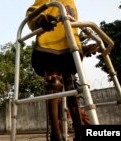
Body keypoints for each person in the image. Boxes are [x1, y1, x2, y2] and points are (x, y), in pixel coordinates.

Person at [26, 0, 85, 141]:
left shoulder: (72, 3)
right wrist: (40, 19)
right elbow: (31, 13)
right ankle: (55, 133)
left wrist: (81, 45)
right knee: (54, 84)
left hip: (70, 49)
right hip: (49, 47)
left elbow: (72, 27)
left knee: (72, 89)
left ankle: (79, 132)